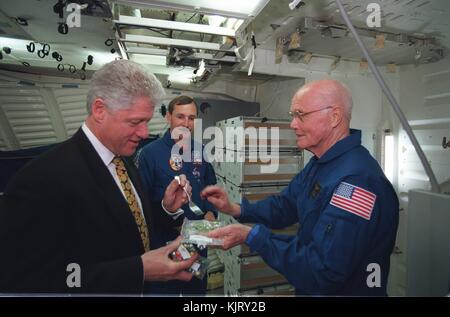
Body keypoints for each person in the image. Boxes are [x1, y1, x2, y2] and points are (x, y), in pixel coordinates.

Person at [0, 60, 197, 294]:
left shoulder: (122, 160)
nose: (144, 133)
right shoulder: (42, 179)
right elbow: (25, 280)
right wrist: (138, 270)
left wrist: (166, 207)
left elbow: (128, 225)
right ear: (99, 110)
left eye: (146, 121)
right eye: (135, 122)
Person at [201, 79, 399, 296]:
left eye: (301, 114)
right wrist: (235, 208)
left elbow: (323, 269)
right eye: (293, 115)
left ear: (334, 117)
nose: (293, 124)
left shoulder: (357, 182)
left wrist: (252, 236)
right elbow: (286, 205)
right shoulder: (320, 163)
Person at [138, 95, 217, 295]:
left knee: (197, 293)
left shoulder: (200, 150)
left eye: (191, 118)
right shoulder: (150, 153)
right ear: (168, 117)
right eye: (180, 117)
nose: (186, 123)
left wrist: (210, 214)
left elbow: (210, 187)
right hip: (165, 245)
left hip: (197, 242)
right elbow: (141, 205)